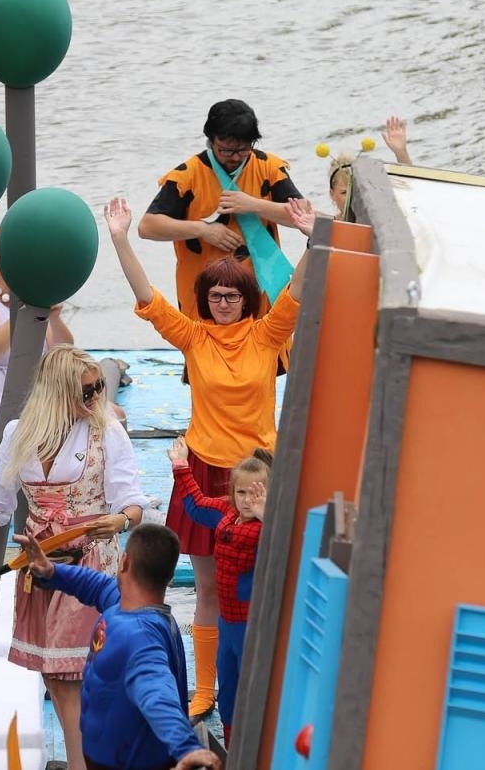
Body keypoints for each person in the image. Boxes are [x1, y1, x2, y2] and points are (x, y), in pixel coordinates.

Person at [105, 195, 316, 720]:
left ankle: (268, 682)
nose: (223, 302)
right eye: (215, 295)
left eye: (232, 295)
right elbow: (148, 297)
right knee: (208, 588)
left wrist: (315, 237)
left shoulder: (268, 335)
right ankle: (206, 689)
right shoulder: (194, 338)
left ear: (247, 298)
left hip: (258, 472)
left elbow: (299, 289)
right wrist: (120, 239)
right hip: (202, 469)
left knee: (267, 581)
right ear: (205, 299)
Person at [0, 346, 149, 770]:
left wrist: (118, 521)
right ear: (57, 394)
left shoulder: (107, 431)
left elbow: (133, 503)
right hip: (40, 568)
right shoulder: (18, 434)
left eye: (98, 388)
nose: (97, 398)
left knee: (72, 675)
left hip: (92, 564)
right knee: (56, 677)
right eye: (88, 391)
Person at [13, 524, 221, 770]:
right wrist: (51, 572)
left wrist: (186, 747)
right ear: (170, 577)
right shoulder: (123, 605)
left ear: (124, 563)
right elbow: (96, 584)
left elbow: (157, 693)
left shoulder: (140, 638)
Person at [137, 99, 302, 319]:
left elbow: (302, 217)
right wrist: (203, 230)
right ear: (210, 140)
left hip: (260, 287)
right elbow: (147, 227)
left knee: (266, 347)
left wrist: (254, 205)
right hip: (205, 292)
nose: (234, 157)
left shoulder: (268, 167)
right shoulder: (188, 175)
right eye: (225, 151)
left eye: (242, 150)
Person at [168, 440, 270, 746]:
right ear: (232, 493)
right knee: (227, 687)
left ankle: (255, 749)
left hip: (251, 626)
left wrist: (268, 515)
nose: (248, 500)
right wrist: (181, 466)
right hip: (227, 623)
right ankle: (231, 744)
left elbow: (283, 548)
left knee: (252, 691)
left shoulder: (269, 526)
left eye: (256, 493)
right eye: (242, 492)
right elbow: (196, 505)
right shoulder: (226, 513)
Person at [0, 230, 75, 447]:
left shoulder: (36, 300)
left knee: (112, 414)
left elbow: (65, 351)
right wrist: (23, 313)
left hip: (38, 394)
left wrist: (53, 319)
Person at [328, 115, 412, 218]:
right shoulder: (330, 226)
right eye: (344, 192)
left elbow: (408, 187)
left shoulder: (380, 215)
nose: (351, 197)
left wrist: (401, 152)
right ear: (332, 194)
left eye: (356, 190)